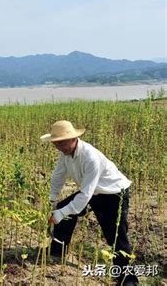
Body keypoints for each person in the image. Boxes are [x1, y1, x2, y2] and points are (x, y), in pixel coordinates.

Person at [41, 120, 138, 286]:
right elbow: (58, 175)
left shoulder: (90, 157)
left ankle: (128, 279)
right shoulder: (65, 155)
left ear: (73, 139)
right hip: (94, 191)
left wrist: (61, 213)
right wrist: (53, 198)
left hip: (113, 194)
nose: (59, 147)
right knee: (63, 208)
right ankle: (57, 250)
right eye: (56, 143)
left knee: (115, 235)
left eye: (62, 142)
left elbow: (85, 194)